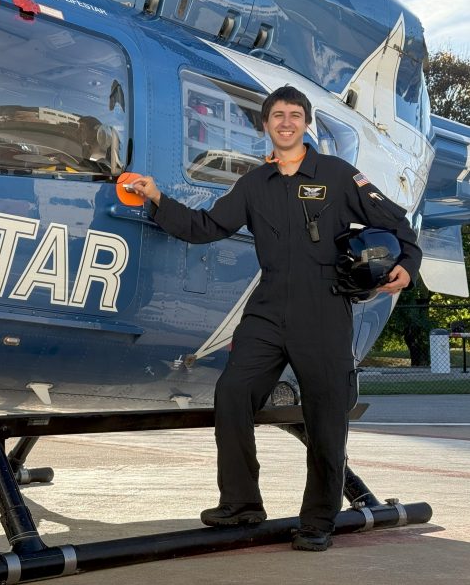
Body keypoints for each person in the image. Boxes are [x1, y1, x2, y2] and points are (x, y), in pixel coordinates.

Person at [129, 85, 422, 551]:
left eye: (295, 115)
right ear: (265, 124)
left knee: (326, 415)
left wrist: (408, 264)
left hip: (324, 309)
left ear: (306, 123)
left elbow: (397, 222)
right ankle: (241, 504)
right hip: (266, 311)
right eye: (277, 115)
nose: (286, 122)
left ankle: (319, 519)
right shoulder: (253, 184)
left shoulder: (337, 175)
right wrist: (158, 198)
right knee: (232, 393)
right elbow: (206, 227)